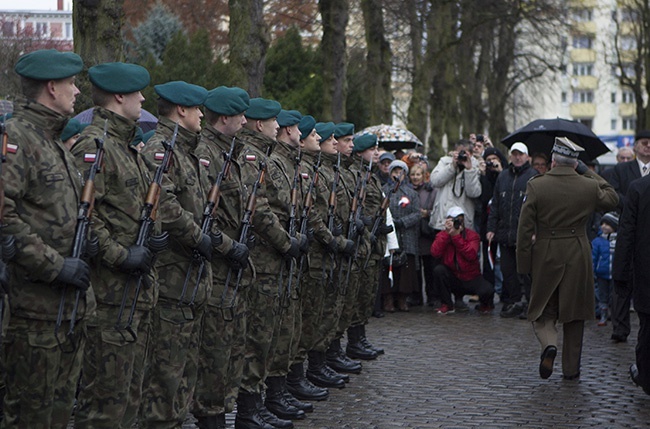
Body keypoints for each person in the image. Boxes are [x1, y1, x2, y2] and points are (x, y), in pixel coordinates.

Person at [3, 49, 95, 427]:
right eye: (71, 84)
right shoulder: (19, 139)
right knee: (30, 414)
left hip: (64, 308)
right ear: (51, 87)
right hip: (35, 310)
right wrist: (56, 266)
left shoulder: (51, 140)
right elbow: (4, 217)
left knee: (57, 411)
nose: (77, 92)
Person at [71, 61, 156, 428]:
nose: (142, 99)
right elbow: (81, 219)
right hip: (109, 296)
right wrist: (122, 255)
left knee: (127, 398)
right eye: (137, 92)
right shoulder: (95, 146)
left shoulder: (125, 145)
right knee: (104, 403)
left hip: (131, 293)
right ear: (119, 96)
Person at [139, 81, 228, 427]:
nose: (203, 115)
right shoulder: (160, 149)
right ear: (181, 111)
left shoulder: (186, 150)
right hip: (173, 277)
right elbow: (165, 202)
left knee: (183, 371)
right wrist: (198, 236)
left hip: (190, 280)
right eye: (197, 109)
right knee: (165, 375)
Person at [517, 137, 618, 380]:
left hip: (546, 252)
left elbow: (524, 229)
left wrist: (524, 264)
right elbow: (613, 198)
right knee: (575, 313)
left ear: (552, 160)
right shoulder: (587, 185)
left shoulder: (536, 185)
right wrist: (587, 172)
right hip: (577, 251)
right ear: (575, 163)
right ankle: (571, 369)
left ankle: (549, 344)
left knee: (542, 309)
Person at [236, 97, 307, 429]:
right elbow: (262, 210)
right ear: (258, 123)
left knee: (274, 334)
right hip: (264, 258)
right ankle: (250, 409)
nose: (278, 127)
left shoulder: (266, 158)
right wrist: (286, 242)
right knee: (259, 336)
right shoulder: (253, 158)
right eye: (272, 121)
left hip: (274, 259)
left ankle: (266, 399)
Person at [192, 86, 252, 429]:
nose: (246, 121)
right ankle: (211, 418)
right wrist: (229, 246)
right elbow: (205, 215)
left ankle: (226, 413)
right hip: (215, 265)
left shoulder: (230, 153)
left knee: (228, 346)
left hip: (232, 264)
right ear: (225, 118)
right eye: (240, 115)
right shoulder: (207, 154)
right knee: (213, 350)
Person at [486, 142, 538, 319]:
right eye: (514, 154)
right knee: (508, 272)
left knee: (526, 273)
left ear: (527, 157)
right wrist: (491, 228)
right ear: (510, 156)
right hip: (504, 233)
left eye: (521, 154)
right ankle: (515, 302)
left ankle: (530, 304)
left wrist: (535, 231)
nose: (517, 157)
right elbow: (495, 205)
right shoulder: (503, 177)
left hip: (524, 235)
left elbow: (539, 208)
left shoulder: (534, 177)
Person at [608, 130, 650, 343]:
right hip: (624, 226)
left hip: (645, 234)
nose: (648, 146)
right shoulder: (622, 169)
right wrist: (633, 202)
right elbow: (614, 194)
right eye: (644, 143)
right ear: (636, 146)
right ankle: (620, 326)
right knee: (623, 279)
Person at [612, 172, 650, 396]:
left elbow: (626, 233)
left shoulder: (639, 188)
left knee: (647, 327)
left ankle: (646, 376)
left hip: (646, 272)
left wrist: (621, 273)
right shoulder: (638, 188)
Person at [430, 206, 494, 314]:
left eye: (459, 220)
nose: (457, 223)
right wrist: (447, 233)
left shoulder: (472, 236)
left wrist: (456, 237)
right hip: (453, 277)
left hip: (471, 277)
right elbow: (435, 252)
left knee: (487, 290)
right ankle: (447, 304)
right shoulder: (442, 235)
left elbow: (471, 255)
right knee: (439, 270)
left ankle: (485, 305)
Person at [380, 160, 420, 312]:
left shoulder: (412, 193)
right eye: (395, 171)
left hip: (406, 234)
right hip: (389, 234)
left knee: (405, 269)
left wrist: (402, 222)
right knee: (387, 266)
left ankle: (402, 299)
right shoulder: (384, 190)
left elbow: (417, 213)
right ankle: (388, 299)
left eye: (400, 171)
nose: (398, 175)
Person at [429, 139, 482, 232]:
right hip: (443, 220)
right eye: (459, 152)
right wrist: (452, 167)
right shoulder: (445, 162)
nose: (462, 155)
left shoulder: (476, 167)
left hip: (463, 223)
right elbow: (435, 181)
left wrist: (469, 170)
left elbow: (474, 193)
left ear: (471, 154)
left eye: (465, 152)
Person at [409, 163, 437, 306]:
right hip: (413, 233)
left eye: (418, 174)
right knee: (415, 269)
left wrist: (428, 213)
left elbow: (435, 208)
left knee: (429, 268)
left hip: (426, 233)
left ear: (423, 176)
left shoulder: (430, 190)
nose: (415, 177)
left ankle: (432, 296)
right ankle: (416, 296)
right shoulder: (407, 190)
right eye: (413, 174)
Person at [592, 212, 618, 327]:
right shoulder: (597, 241)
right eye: (602, 224)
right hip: (601, 273)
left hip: (615, 273)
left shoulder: (618, 241)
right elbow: (593, 257)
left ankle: (614, 315)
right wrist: (593, 269)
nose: (604, 226)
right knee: (602, 296)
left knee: (614, 296)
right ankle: (603, 315)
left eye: (607, 224)